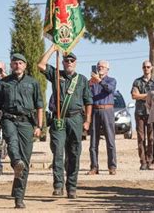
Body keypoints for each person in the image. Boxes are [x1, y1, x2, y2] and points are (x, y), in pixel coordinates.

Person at [0, 53, 44, 209]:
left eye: (20, 63)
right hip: (8, 119)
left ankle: (19, 197)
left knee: (24, 161)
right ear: (11, 66)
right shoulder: (4, 83)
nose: (17, 65)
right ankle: (15, 162)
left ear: (25, 65)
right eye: (15, 63)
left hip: (26, 123)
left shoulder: (33, 82)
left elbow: (39, 106)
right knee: (12, 142)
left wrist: (39, 126)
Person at [38, 46, 92, 199]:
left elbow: (88, 101)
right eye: (66, 60)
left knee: (74, 153)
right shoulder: (56, 75)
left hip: (76, 119)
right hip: (58, 119)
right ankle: (58, 185)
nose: (69, 62)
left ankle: (72, 187)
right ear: (62, 63)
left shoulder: (81, 80)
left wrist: (87, 121)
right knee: (58, 152)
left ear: (75, 63)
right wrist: (52, 49)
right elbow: (41, 65)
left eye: (71, 60)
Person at [87, 60, 117, 175]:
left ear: (107, 69)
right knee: (93, 141)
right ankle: (94, 166)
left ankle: (112, 166)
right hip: (95, 110)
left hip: (107, 110)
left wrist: (99, 81)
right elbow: (87, 95)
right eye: (99, 66)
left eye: (103, 67)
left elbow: (110, 89)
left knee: (110, 140)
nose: (100, 68)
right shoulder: (92, 82)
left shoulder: (111, 80)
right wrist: (91, 82)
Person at [131, 60, 154, 170]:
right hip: (140, 113)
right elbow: (134, 95)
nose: (146, 69)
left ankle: (150, 160)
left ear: (152, 68)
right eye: (144, 67)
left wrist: (141, 95)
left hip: (152, 113)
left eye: (148, 67)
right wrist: (148, 95)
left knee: (151, 138)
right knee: (141, 138)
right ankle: (143, 161)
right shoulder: (137, 81)